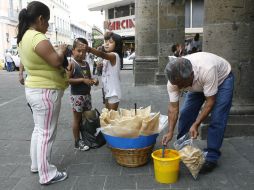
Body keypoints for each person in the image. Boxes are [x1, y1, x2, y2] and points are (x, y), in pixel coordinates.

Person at [17, 1, 68, 185]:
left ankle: (36, 165)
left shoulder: (23, 37)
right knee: (47, 133)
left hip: (34, 90)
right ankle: (47, 174)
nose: (47, 26)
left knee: (39, 130)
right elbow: (55, 61)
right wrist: (61, 50)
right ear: (39, 19)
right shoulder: (37, 37)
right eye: (46, 21)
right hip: (46, 92)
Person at [162, 52, 234, 174]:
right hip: (198, 84)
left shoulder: (207, 69)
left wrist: (196, 123)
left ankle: (211, 156)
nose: (178, 88)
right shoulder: (174, 82)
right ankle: (184, 148)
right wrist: (170, 132)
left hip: (222, 80)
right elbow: (173, 109)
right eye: (176, 85)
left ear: (191, 75)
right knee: (186, 114)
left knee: (217, 117)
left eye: (181, 84)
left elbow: (210, 102)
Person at [67, 38, 99, 151]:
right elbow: (68, 80)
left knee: (86, 118)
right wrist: (82, 80)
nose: (81, 54)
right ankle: (77, 141)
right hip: (77, 96)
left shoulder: (86, 64)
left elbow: (89, 78)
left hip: (87, 95)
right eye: (79, 51)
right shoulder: (72, 64)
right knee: (77, 119)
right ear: (73, 51)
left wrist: (94, 81)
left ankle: (87, 138)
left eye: (84, 51)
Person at [84, 31, 123, 111]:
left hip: (113, 93)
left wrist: (89, 49)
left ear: (117, 44)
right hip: (106, 90)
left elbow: (103, 54)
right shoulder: (107, 58)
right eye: (106, 41)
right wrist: (100, 66)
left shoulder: (114, 55)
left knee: (111, 118)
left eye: (111, 42)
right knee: (107, 117)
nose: (107, 44)